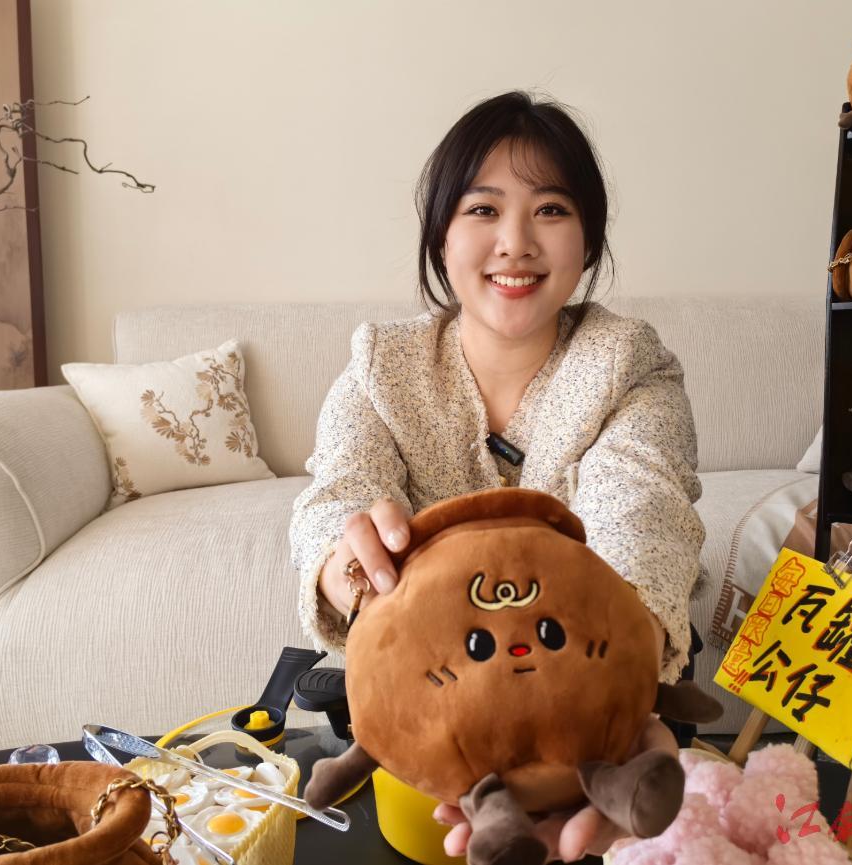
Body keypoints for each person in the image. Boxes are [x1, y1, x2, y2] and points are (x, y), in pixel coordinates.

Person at [289, 90, 706, 861]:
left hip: (591, 713)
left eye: (551, 210)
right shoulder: (382, 364)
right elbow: (335, 495)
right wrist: (354, 568)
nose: (516, 243)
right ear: (440, 235)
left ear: (588, 238)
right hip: (435, 707)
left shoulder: (631, 366)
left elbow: (642, 518)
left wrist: (612, 697)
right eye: (483, 209)